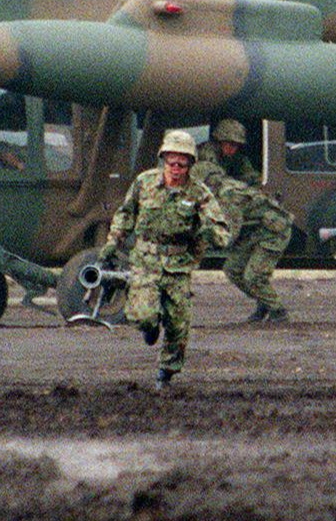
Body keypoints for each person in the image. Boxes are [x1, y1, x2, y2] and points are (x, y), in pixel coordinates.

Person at [98, 129, 233, 387]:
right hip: (145, 262)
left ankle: (166, 373)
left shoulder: (199, 193)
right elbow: (126, 214)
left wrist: (209, 230)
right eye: (171, 162)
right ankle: (149, 327)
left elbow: (222, 234)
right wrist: (113, 242)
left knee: (178, 325)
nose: (176, 169)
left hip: (178, 266)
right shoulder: (145, 183)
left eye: (182, 164)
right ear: (163, 160)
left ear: (190, 165)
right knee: (142, 315)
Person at [194, 119, 296, 323]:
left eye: (236, 145)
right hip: (254, 228)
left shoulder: (227, 194)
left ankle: (278, 312)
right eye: (229, 144)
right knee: (232, 270)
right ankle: (264, 302)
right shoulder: (206, 160)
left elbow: (229, 234)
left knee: (253, 277)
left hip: (273, 229)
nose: (232, 150)